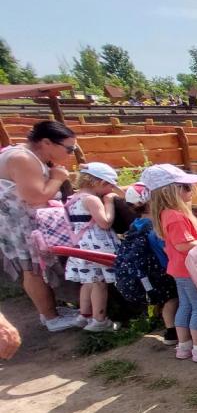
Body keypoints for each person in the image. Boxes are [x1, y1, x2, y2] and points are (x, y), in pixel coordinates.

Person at [0, 120, 83, 331]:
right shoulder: (22, 159)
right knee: (33, 269)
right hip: (22, 225)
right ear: (47, 142)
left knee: (36, 267)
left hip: (20, 222)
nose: (70, 153)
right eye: (69, 149)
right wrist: (58, 178)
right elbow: (35, 197)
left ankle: (50, 311)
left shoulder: (25, 155)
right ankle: (51, 318)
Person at [145, 164, 197, 362]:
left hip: (179, 269)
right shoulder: (176, 216)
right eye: (187, 187)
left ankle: (184, 345)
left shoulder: (166, 213)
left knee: (186, 305)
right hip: (190, 269)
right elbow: (182, 245)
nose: (192, 190)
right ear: (171, 191)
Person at [64, 162, 122, 332]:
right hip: (95, 246)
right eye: (110, 186)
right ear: (100, 183)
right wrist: (109, 203)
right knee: (99, 283)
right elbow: (105, 222)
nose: (111, 190)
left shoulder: (73, 198)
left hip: (80, 245)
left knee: (87, 281)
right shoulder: (92, 199)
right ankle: (99, 320)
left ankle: (84, 315)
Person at [122, 182, 179, 344]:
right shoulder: (154, 225)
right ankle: (172, 332)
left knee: (165, 299)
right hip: (164, 268)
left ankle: (170, 329)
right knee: (172, 299)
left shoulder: (136, 224)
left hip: (149, 271)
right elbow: (165, 247)